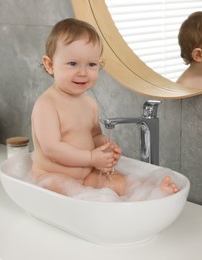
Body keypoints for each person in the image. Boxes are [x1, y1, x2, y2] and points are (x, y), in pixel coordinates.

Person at [31, 18, 179, 198]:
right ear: (49, 65)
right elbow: (52, 149)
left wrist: (106, 147)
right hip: (51, 177)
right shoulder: (47, 105)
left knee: (119, 182)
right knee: (56, 186)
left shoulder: (89, 104)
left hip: (85, 176)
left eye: (91, 64)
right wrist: (91, 158)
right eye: (72, 63)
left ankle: (152, 193)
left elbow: (93, 136)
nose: (83, 72)